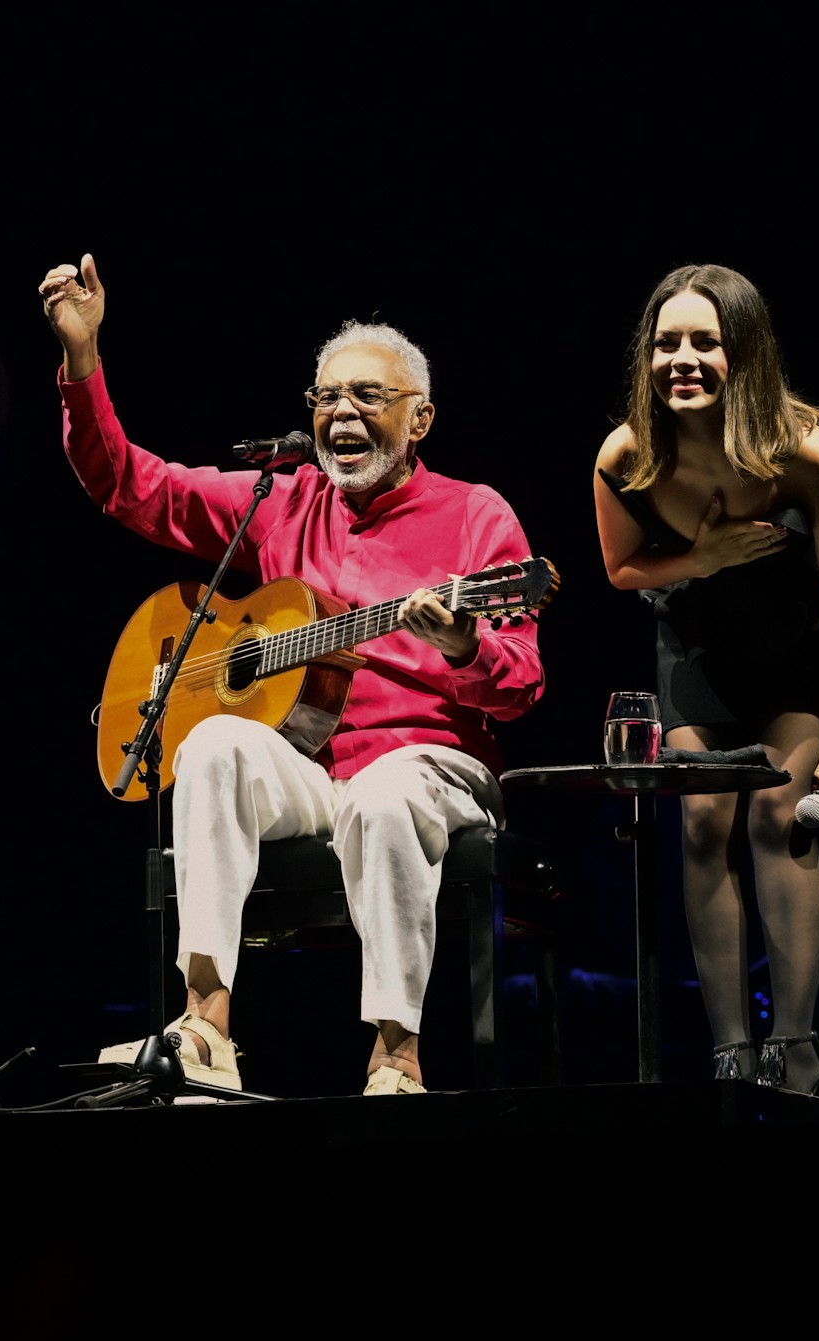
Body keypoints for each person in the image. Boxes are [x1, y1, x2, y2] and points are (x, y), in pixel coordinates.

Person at [40, 252, 545, 1095]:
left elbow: (522, 683)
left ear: (419, 419)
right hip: (314, 768)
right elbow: (128, 483)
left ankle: (396, 1057)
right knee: (210, 746)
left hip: (429, 767)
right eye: (326, 397)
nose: (341, 412)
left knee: (385, 795)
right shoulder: (280, 501)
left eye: (367, 397)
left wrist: (463, 646)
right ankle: (206, 1027)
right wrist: (82, 359)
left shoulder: (475, 514)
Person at [592, 264, 819, 1094]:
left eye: (706, 341)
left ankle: (797, 1045)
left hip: (793, 638)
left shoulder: (805, 452)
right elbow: (623, 569)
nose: (684, 358)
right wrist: (702, 556)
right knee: (703, 823)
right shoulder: (627, 452)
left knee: (780, 813)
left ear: (745, 352)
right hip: (699, 639)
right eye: (668, 343)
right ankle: (731, 1052)